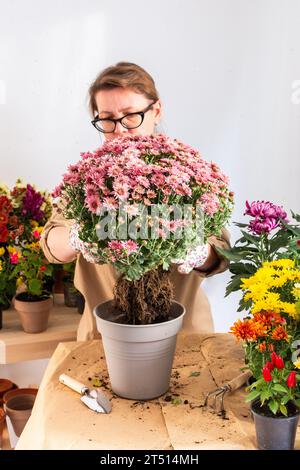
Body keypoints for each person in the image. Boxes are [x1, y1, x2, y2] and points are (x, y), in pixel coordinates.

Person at [40, 62, 230, 340]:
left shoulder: (186, 173)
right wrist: (76, 238)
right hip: (105, 335)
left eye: (130, 116)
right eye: (106, 118)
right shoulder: (90, 179)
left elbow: (222, 252)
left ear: (156, 110)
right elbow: (50, 243)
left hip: (186, 335)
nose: (119, 129)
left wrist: (199, 252)